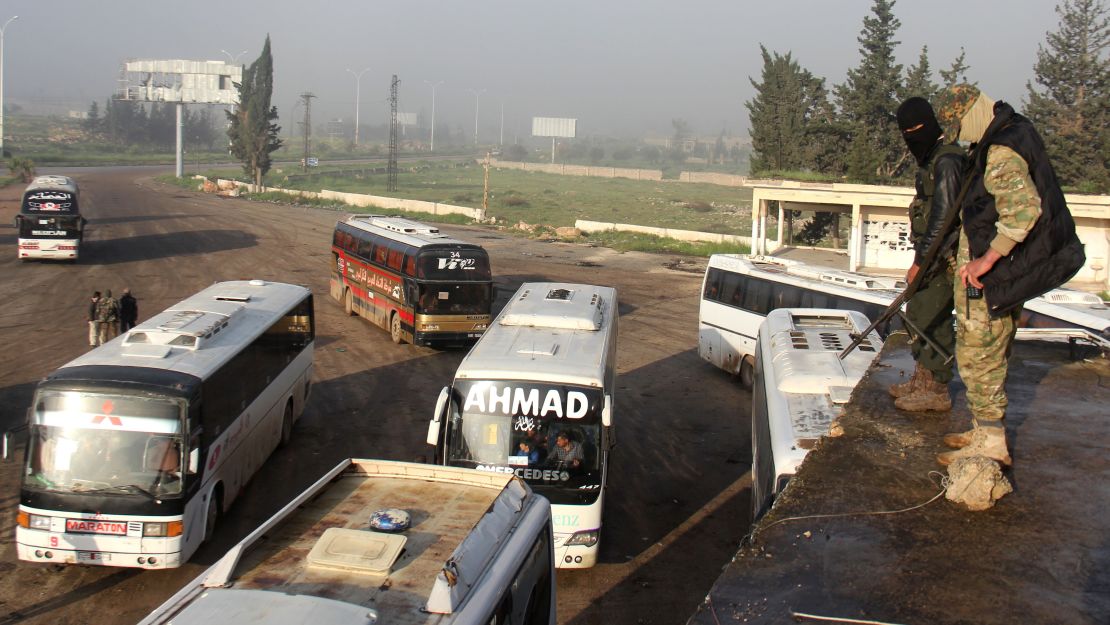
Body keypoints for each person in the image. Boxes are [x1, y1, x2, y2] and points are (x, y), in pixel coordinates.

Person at [937, 94, 1085, 466]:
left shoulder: (1001, 150)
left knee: (978, 353)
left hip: (994, 276)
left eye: (961, 129)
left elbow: (1023, 211)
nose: (965, 140)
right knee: (992, 349)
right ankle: (984, 429)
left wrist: (987, 259)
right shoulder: (1015, 130)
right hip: (1011, 270)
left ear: (969, 116)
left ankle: (990, 443)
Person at [890, 97, 965, 412]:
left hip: (942, 257)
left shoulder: (947, 161)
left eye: (915, 130)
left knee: (932, 317)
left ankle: (936, 389)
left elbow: (944, 219)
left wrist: (921, 262)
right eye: (905, 131)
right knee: (919, 313)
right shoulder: (932, 160)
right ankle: (922, 379)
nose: (911, 137)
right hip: (930, 255)